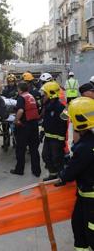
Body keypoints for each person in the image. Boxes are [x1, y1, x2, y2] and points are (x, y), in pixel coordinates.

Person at [57, 97, 94, 251]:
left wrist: (62, 176)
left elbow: (69, 173)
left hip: (91, 199)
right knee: (78, 225)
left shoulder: (84, 147)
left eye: (72, 122)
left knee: (91, 232)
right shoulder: (87, 142)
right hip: (84, 196)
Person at [10, 82, 41, 177]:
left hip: (24, 126)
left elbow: (20, 110)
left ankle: (19, 170)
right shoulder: (31, 96)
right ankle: (36, 171)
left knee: (20, 149)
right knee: (34, 149)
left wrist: (16, 120)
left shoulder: (21, 97)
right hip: (34, 125)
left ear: (20, 89)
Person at [40, 81, 68, 181]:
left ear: (51, 94)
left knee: (57, 159)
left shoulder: (61, 107)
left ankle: (61, 177)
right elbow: (45, 121)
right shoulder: (48, 106)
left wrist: (61, 140)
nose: (43, 96)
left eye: (45, 94)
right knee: (45, 156)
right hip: (48, 137)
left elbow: (64, 125)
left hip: (56, 139)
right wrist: (42, 132)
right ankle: (53, 174)